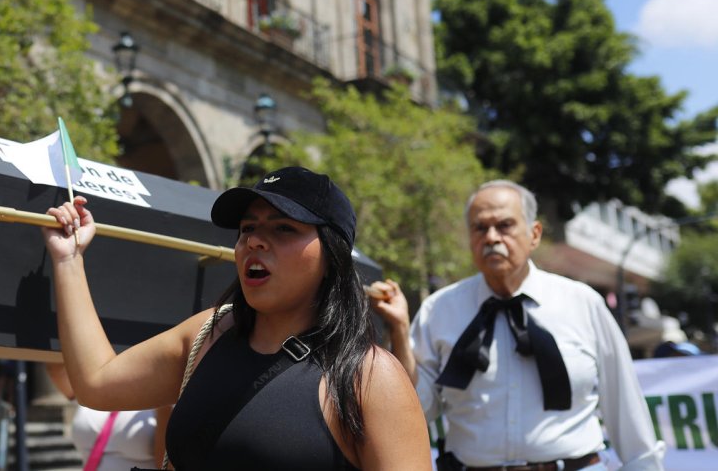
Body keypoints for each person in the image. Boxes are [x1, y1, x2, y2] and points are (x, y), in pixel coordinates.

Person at [42, 166, 430, 470]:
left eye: (283, 228)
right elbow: (96, 384)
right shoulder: (207, 334)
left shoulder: (371, 378)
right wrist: (68, 260)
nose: (255, 241)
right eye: (248, 228)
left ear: (331, 256)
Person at [371, 180, 665, 471]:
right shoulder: (439, 310)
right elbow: (417, 409)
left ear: (534, 234)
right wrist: (399, 331)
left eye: (505, 225)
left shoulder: (583, 303)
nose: (492, 238)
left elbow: (624, 402)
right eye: (480, 228)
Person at [46, 362, 171, 471]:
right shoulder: (97, 382)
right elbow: (56, 370)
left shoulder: (169, 391)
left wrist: (164, 402)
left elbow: (168, 465)